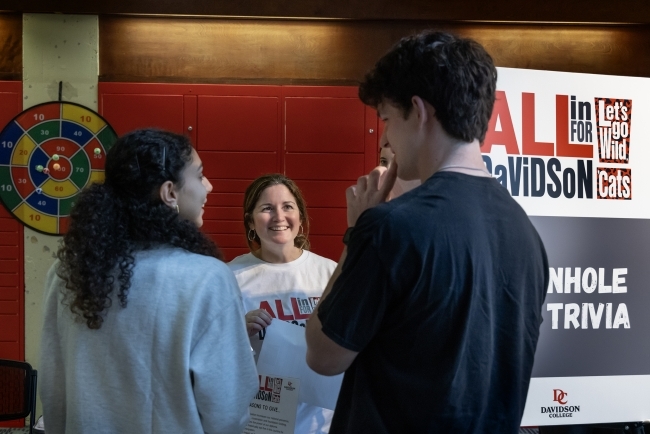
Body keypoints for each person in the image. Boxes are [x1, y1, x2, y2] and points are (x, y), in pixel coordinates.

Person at [305, 31, 549, 433]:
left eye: (385, 118)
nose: (384, 137)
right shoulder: (526, 233)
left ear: (418, 111)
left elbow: (323, 355)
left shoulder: (390, 226)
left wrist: (356, 232)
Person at [39, 129, 258, 434]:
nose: (209, 185)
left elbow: (53, 388)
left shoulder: (68, 273)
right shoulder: (206, 278)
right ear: (170, 192)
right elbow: (226, 408)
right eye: (200, 175)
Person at [228, 173, 337, 434]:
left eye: (287, 207)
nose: (279, 217)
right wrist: (238, 332)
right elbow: (212, 358)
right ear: (251, 221)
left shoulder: (329, 273)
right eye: (267, 208)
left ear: (300, 217)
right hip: (260, 424)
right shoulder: (230, 277)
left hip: (321, 425)